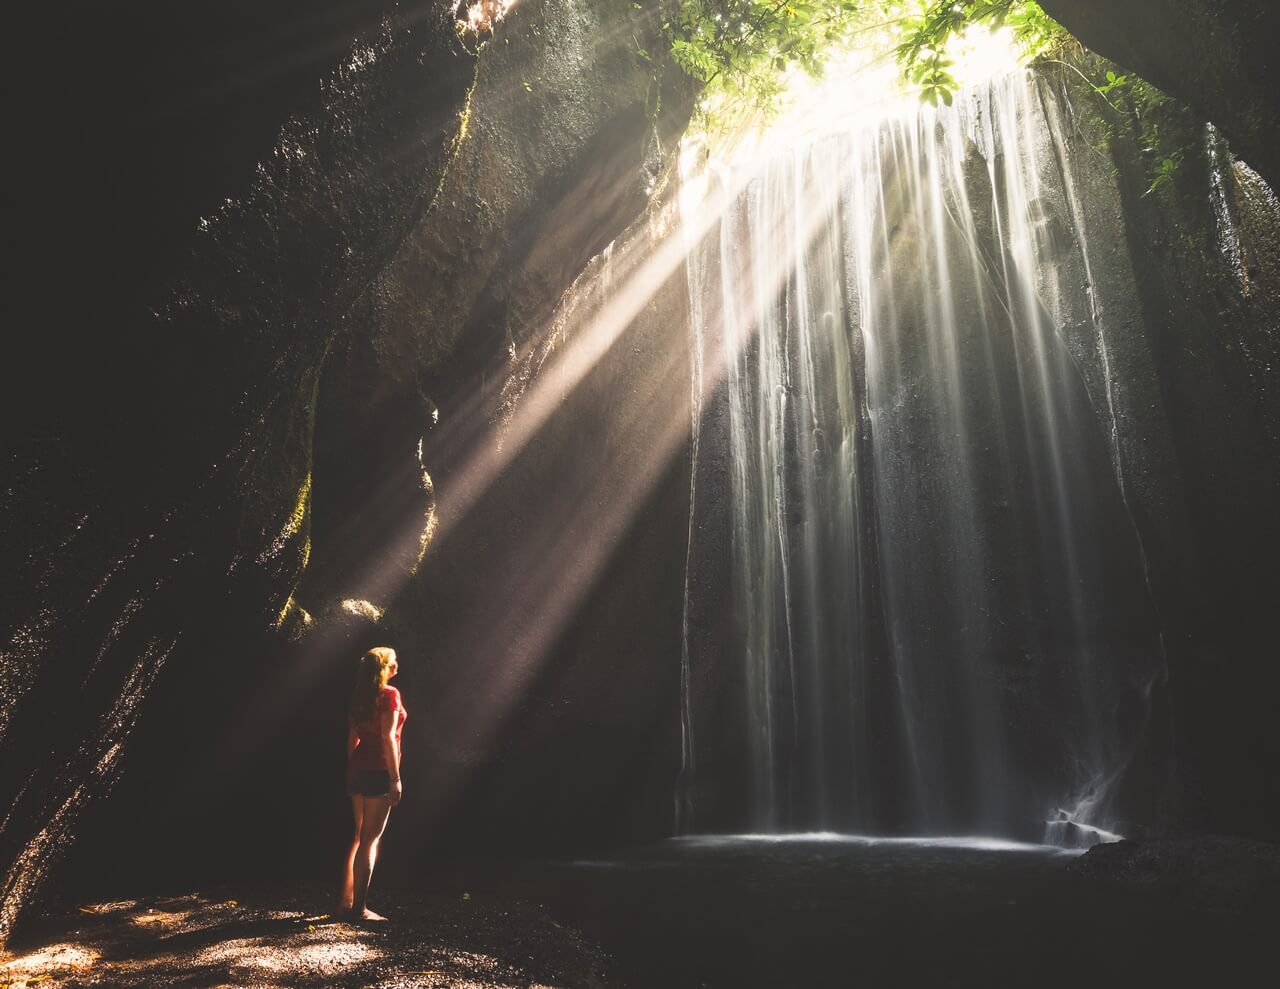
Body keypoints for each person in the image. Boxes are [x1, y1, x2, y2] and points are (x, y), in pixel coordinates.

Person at [339, 646, 406, 920]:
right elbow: (389, 738)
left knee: (358, 837)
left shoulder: (360, 696)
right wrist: (395, 778)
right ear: (385, 668)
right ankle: (360, 910)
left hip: (357, 770)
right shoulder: (389, 694)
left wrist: (352, 768)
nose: (397, 665)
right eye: (394, 662)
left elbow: (352, 738)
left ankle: (345, 903)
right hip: (379, 770)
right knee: (370, 840)